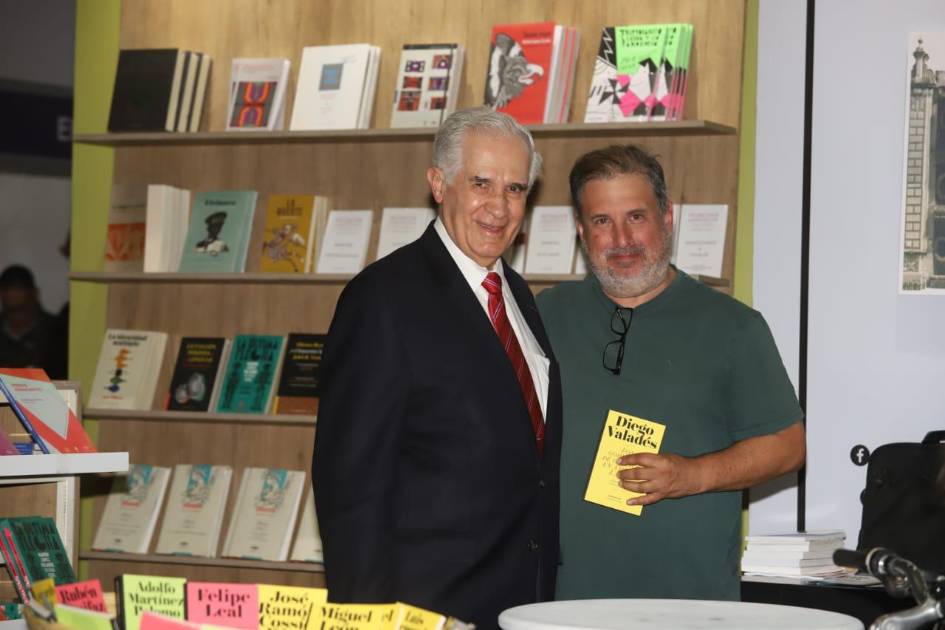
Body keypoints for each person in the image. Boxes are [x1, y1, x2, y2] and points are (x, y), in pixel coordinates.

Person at [312, 107, 562, 629]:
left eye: (515, 189)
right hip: (427, 611)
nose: (499, 206)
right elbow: (351, 491)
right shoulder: (381, 299)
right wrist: (367, 620)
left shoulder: (518, 296)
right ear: (438, 184)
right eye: (481, 183)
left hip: (522, 608)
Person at [536, 144, 805, 601]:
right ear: (581, 231)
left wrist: (690, 475)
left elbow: (787, 447)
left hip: (688, 602)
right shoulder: (544, 316)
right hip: (562, 601)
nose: (622, 238)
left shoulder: (733, 326)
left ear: (666, 217)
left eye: (636, 217)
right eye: (602, 221)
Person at [0, 265, 66, 378]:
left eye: (19, 288)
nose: (13, 293)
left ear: (34, 293)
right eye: (7, 289)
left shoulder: (56, 331)